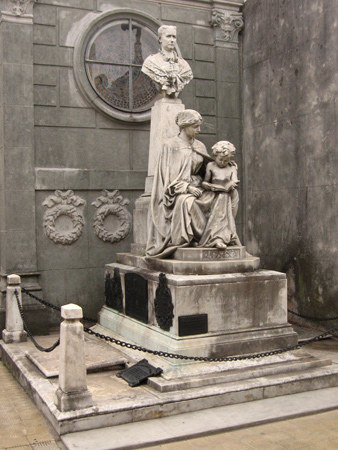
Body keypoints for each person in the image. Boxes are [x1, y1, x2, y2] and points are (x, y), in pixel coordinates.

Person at [146, 109, 213, 258]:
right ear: (184, 126)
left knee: (225, 196)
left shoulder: (200, 146)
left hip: (200, 186)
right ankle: (198, 238)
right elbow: (168, 179)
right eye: (195, 126)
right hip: (177, 191)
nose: (199, 130)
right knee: (185, 201)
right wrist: (187, 187)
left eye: (199, 126)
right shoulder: (170, 146)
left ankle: (218, 236)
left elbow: (207, 170)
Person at [199, 141, 241, 249]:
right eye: (220, 159)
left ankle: (228, 238)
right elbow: (205, 182)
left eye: (226, 160)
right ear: (215, 156)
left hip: (231, 196)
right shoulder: (210, 166)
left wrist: (231, 184)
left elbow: (235, 181)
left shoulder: (231, 167)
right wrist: (212, 187)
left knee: (230, 220)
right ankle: (217, 238)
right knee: (223, 201)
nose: (223, 162)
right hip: (214, 195)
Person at [141, 25, 193, 97]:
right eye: (168, 36)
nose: (172, 40)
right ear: (160, 39)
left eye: (174, 37)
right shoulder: (150, 62)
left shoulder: (184, 65)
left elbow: (187, 75)